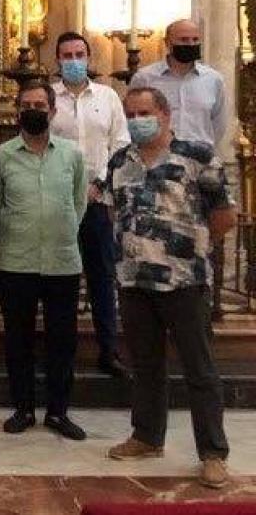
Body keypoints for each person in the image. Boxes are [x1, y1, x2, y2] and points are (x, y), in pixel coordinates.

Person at [103, 87, 235, 489]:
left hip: (184, 280)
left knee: (200, 369)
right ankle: (147, 436)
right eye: (131, 113)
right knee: (146, 365)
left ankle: (212, 453)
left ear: (165, 115)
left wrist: (189, 246)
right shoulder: (120, 160)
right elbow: (113, 210)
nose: (138, 119)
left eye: (145, 112)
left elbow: (226, 216)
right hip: (134, 280)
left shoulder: (198, 156)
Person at [0, 80, 88, 440]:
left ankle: (59, 412)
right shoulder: (0, 158)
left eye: (40, 105)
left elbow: (79, 204)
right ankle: (24, 408)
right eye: (27, 105)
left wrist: (60, 231)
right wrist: (18, 232)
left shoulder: (72, 155)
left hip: (62, 261)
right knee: (19, 339)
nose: (34, 111)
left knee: (63, 340)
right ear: (18, 112)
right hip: (16, 261)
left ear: (52, 110)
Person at [50, 31, 130, 378]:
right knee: (59, 280)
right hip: (58, 202)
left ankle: (108, 350)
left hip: (97, 201)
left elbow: (121, 145)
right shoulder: (49, 98)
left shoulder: (108, 97)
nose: (73, 61)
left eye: (79, 54)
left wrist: (100, 185)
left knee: (102, 276)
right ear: (57, 61)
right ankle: (59, 353)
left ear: (89, 57)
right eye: (66, 56)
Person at [130, 19, 227, 149]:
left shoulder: (213, 79)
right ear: (168, 43)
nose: (191, 44)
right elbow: (132, 118)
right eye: (184, 39)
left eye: (195, 39)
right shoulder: (145, 78)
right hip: (159, 159)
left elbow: (218, 124)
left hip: (200, 159)